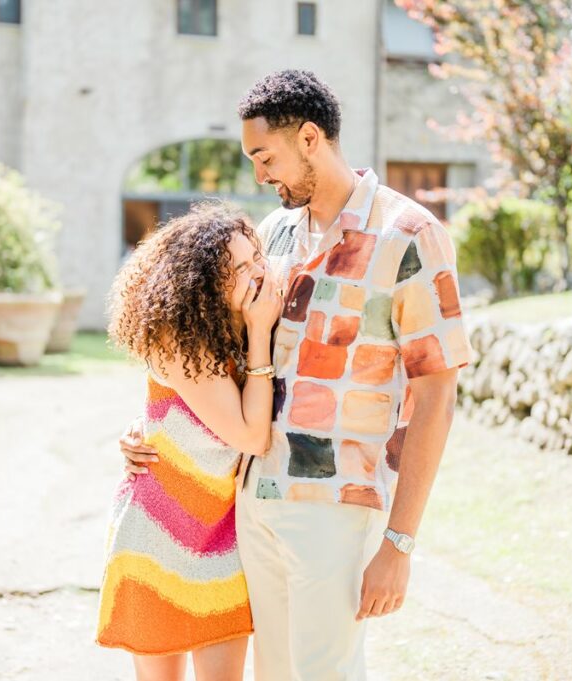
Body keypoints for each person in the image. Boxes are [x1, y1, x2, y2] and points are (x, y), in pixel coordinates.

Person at [122, 69, 474, 680]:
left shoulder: (409, 236)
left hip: (337, 503)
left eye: (265, 157)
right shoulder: (273, 235)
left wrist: (400, 543)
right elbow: (214, 356)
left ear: (310, 138)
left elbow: (437, 396)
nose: (259, 176)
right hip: (253, 500)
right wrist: (147, 427)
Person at [96, 203, 283, 681]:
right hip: (159, 536)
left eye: (256, 256)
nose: (257, 270)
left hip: (223, 538)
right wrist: (260, 331)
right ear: (204, 282)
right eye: (238, 268)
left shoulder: (240, 325)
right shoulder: (180, 339)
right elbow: (250, 434)